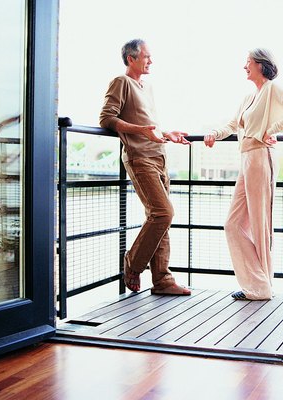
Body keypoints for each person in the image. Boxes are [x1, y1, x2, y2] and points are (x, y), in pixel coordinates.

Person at [204, 49, 283, 300]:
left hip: (261, 157)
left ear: (260, 64)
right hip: (247, 158)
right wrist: (214, 133)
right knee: (232, 224)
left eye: (247, 62)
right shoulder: (249, 97)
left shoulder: (271, 89)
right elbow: (234, 124)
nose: (244, 66)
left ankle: (261, 287)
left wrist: (273, 129)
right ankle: (257, 284)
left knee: (260, 225)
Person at [99, 39, 191, 296]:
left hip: (159, 156)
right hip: (139, 157)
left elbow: (148, 125)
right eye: (147, 57)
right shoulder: (121, 82)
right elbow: (107, 118)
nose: (151, 61)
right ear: (131, 58)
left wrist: (166, 133)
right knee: (163, 213)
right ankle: (133, 263)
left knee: (160, 219)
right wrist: (141, 132)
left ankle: (162, 280)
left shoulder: (146, 86)